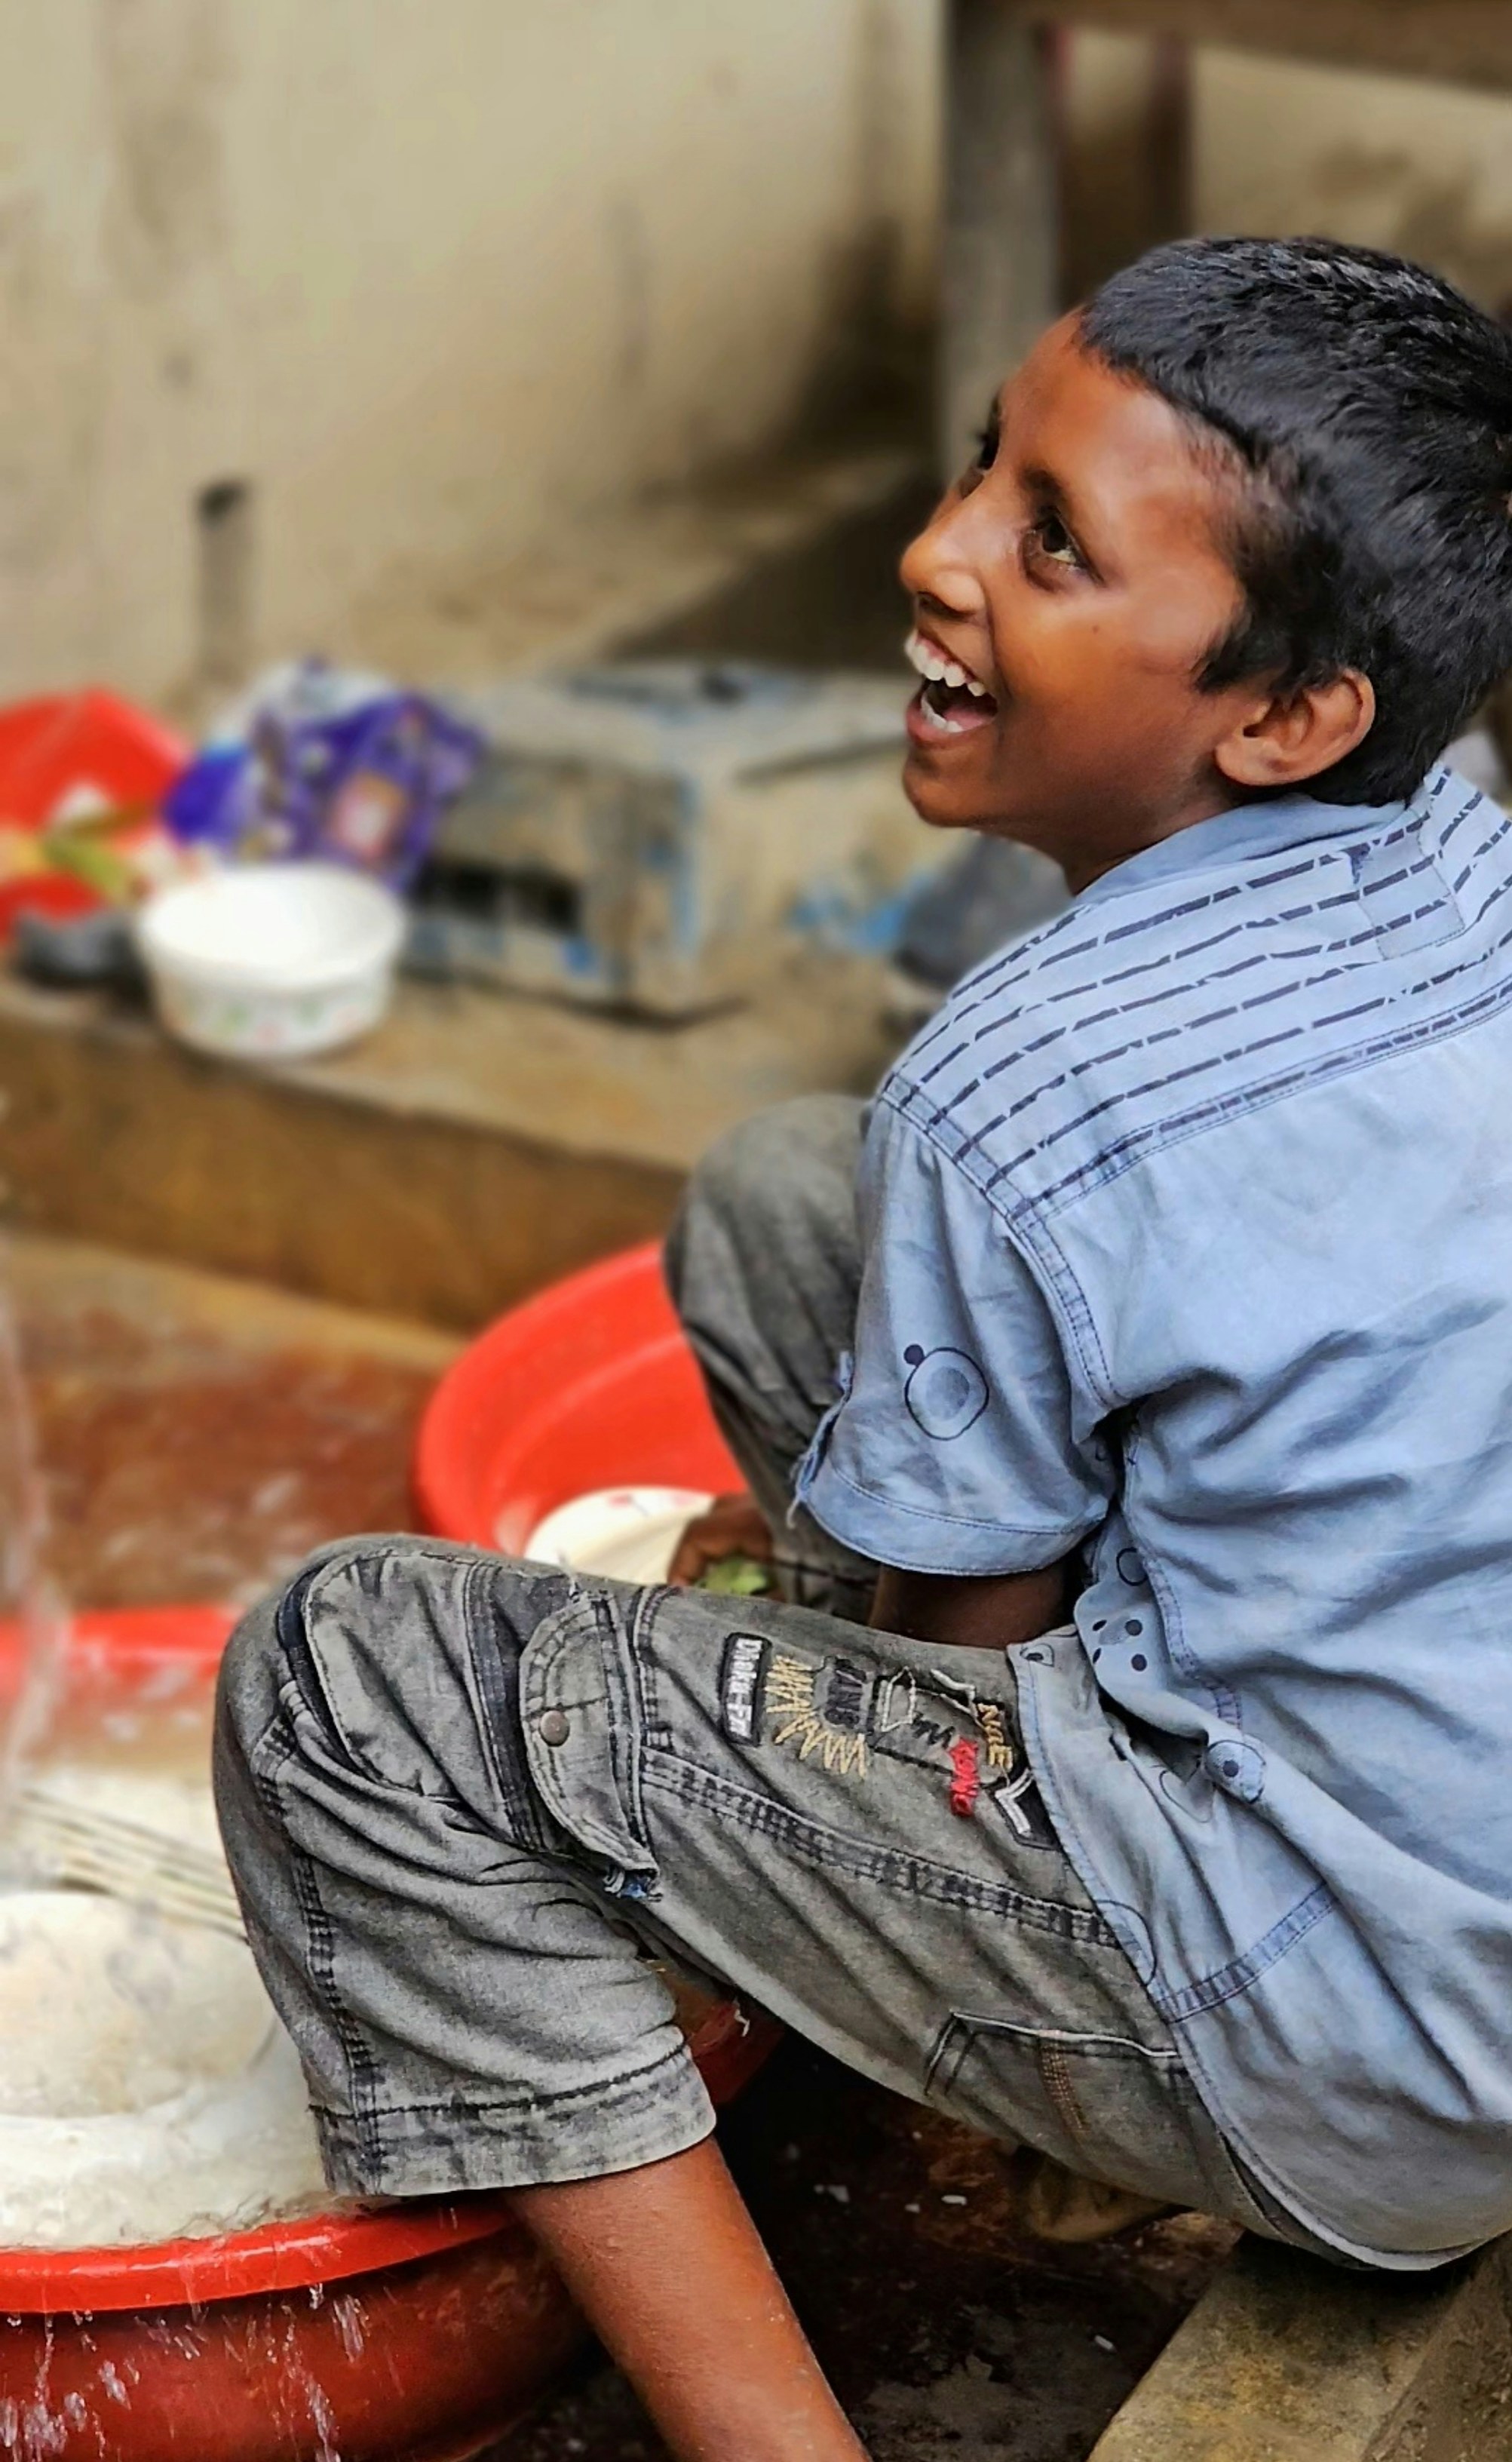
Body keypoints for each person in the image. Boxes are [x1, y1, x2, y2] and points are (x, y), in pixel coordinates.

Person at [214, 238, 1512, 2461]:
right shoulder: (1464, 844)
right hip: (1462, 1891)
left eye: (1053, 543)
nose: (937, 553)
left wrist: (762, 1745)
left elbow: (963, 1651)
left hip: (1363, 2047)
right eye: (984, 469)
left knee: (349, 1677)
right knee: (784, 1202)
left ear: (1288, 716)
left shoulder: (1028, 1085)